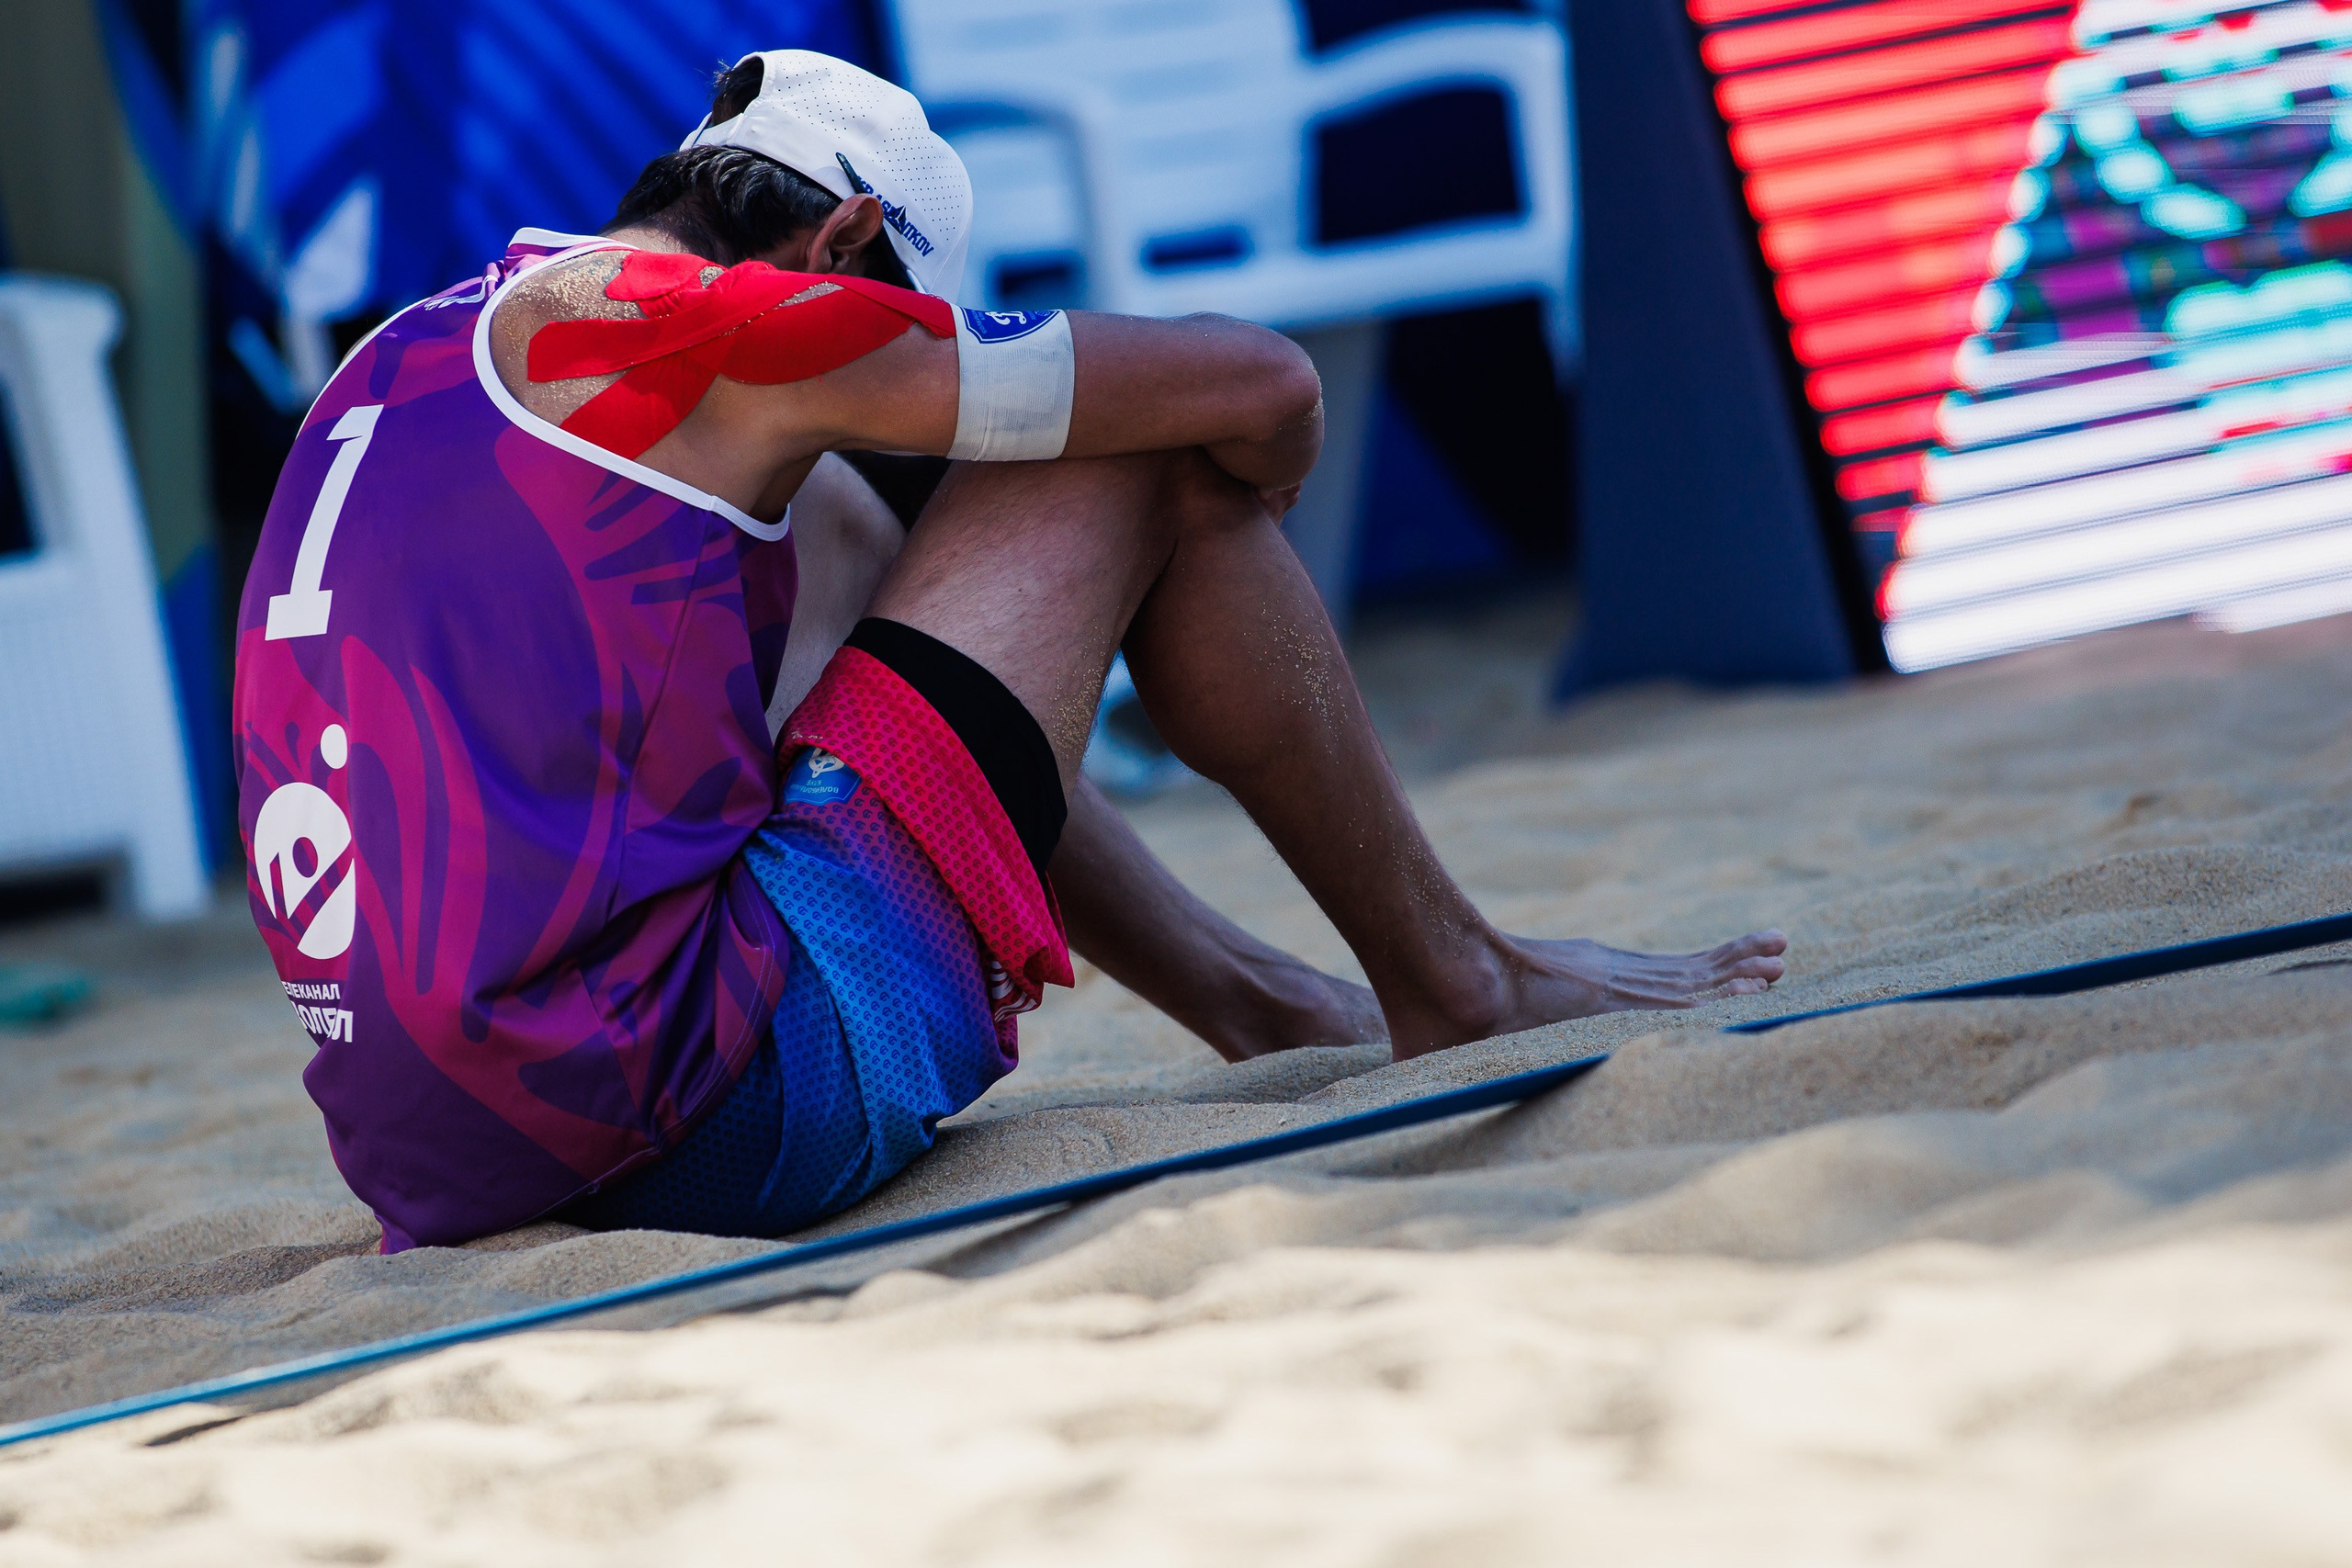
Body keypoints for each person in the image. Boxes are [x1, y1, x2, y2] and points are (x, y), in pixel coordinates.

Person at [234, 50, 1784, 1253]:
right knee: (1133, 460)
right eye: (904, 313)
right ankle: (1459, 978)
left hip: (444, 1160)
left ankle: (1271, 1005)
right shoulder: (699, 323)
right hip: (682, 1129)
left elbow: (891, 635)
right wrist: (1240, 489)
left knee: (839, 529)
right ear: (842, 239)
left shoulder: (416, 342)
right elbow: (1254, 385)